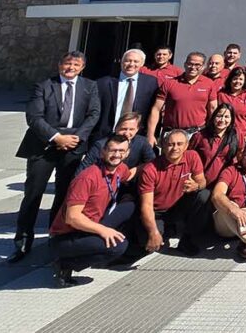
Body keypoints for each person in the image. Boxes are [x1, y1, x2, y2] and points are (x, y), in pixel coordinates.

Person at [10, 51, 101, 264]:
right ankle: (23, 240)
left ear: (82, 67)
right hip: (44, 146)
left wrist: (76, 138)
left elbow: (93, 114)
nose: (71, 67)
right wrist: (56, 137)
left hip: (73, 147)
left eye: (76, 64)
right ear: (60, 64)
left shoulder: (90, 86)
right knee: (33, 194)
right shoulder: (43, 86)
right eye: (67, 63)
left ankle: (56, 236)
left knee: (65, 195)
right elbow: (34, 117)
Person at [46, 134, 134, 286]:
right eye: (112, 150)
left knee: (131, 205)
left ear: (127, 153)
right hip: (67, 234)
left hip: (91, 224)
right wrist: (103, 230)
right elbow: (72, 218)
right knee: (118, 246)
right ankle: (65, 263)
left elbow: (131, 175)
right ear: (103, 152)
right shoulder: (87, 178)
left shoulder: (120, 169)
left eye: (121, 151)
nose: (117, 155)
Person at [137, 129, 209, 256]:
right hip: (157, 211)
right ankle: (166, 229)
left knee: (204, 195)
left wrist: (196, 186)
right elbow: (146, 206)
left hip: (179, 206)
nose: (175, 148)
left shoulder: (192, 156)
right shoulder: (150, 169)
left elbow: (202, 181)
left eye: (179, 144)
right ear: (163, 146)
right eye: (170, 144)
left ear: (186, 145)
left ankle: (187, 238)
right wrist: (153, 232)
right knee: (147, 244)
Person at [148, 52, 215, 146]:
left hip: (197, 133)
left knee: (193, 160)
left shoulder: (209, 84)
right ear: (185, 64)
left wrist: (212, 132)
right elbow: (156, 109)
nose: (193, 67)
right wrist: (150, 134)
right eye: (190, 64)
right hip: (172, 133)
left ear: (203, 66)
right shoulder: (169, 83)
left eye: (197, 65)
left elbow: (213, 109)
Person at [94, 49, 159, 140]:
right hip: (106, 135)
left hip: (136, 136)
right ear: (121, 62)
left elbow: (153, 109)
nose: (131, 64)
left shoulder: (151, 83)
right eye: (128, 60)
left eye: (136, 61)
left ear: (142, 64)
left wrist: (151, 134)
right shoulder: (103, 83)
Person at [79, 111, 155, 181]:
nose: (127, 133)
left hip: (130, 186)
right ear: (116, 128)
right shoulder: (100, 145)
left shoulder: (142, 142)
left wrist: (137, 169)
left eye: (131, 129)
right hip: (104, 183)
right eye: (123, 129)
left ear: (137, 129)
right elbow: (81, 171)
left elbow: (153, 163)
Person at [189, 104, 241, 184]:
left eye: (226, 117)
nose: (222, 120)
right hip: (203, 183)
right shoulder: (200, 136)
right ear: (213, 117)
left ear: (231, 119)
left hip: (225, 183)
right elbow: (189, 158)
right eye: (219, 116)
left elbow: (240, 155)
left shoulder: (236, 135)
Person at [213, 67, 246, 146]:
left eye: (241, 79)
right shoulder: (221, 94)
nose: (237, 81)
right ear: (230, 80)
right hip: (223, 136)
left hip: (241, 136)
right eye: (235, 79)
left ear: (244, 81)